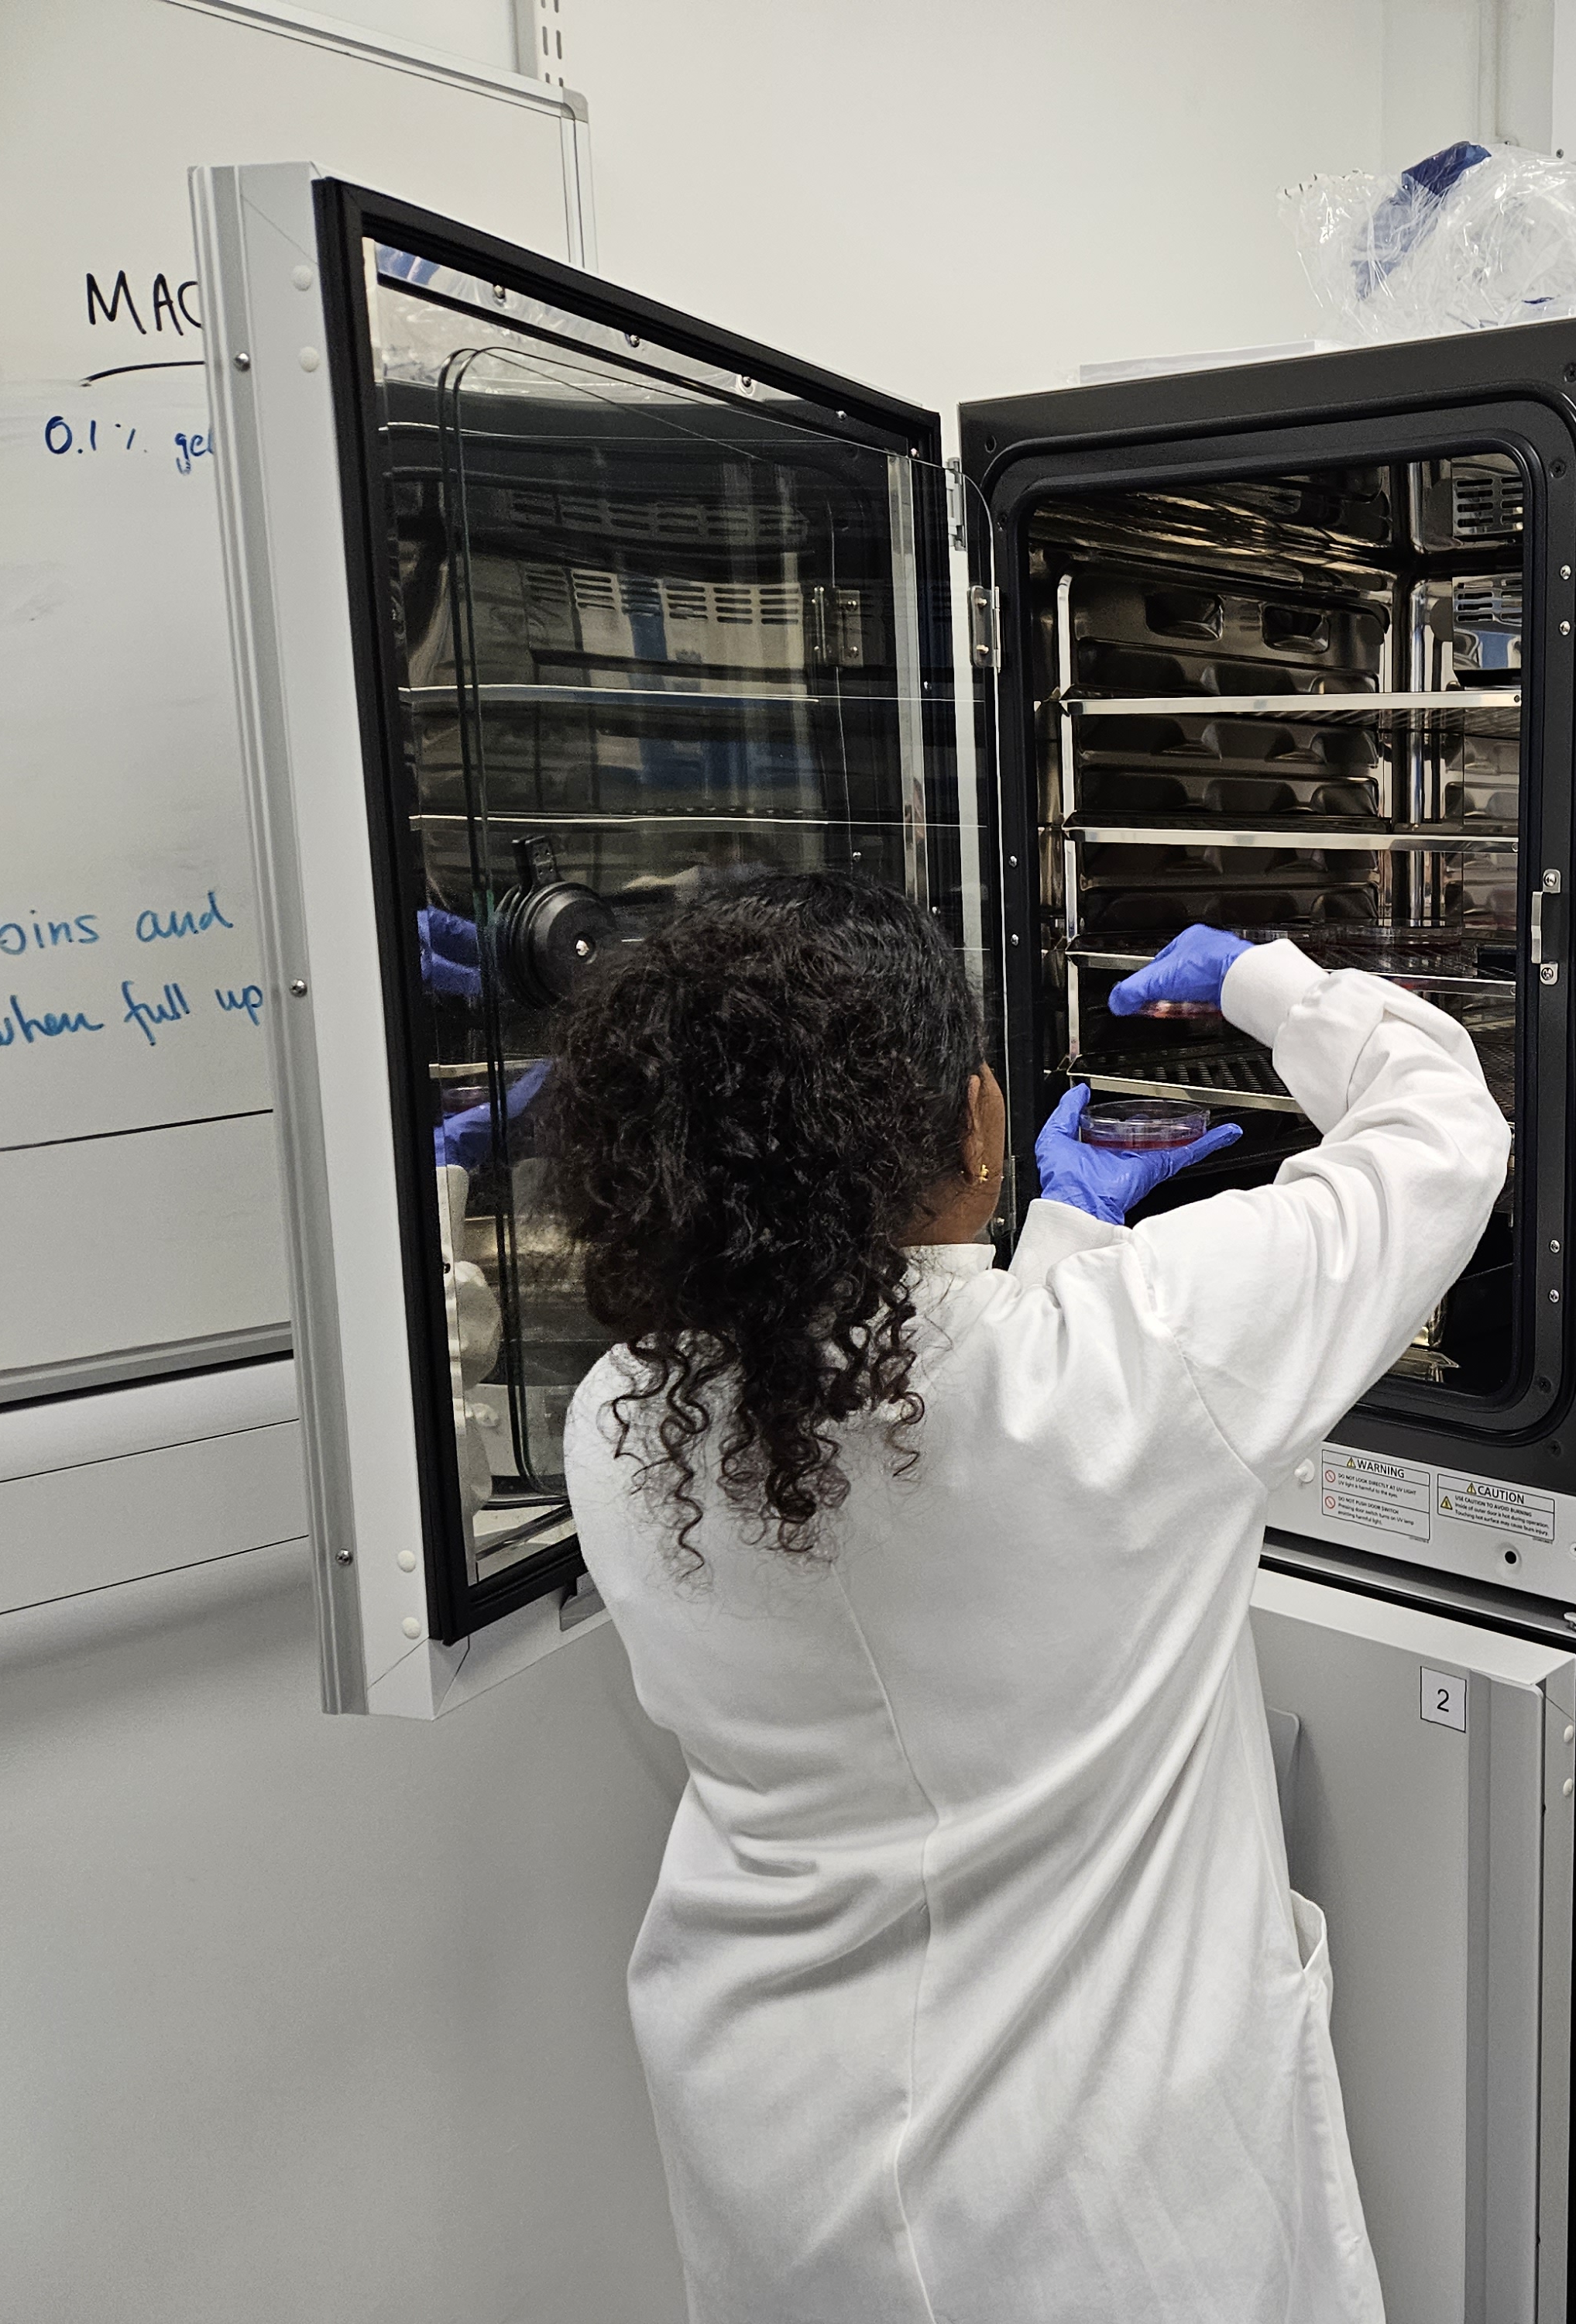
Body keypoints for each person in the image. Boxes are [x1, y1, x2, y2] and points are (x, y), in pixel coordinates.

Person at [544, 873, 1510, 2323]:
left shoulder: (626, 1423)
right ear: (981, 1125)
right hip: (1090, 2199)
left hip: (782, 2140)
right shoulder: (1140, 1358)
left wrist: (1060, 1236)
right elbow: (1441, 1132)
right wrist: (1267, 985)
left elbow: (937, 1461)